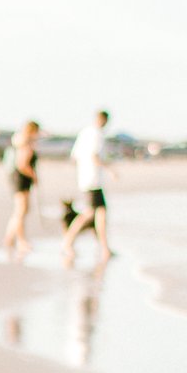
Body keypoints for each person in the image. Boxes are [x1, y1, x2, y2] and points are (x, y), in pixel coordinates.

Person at [61, 109, 113, 261]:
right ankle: (67, 242)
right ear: (104, 120)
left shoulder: (84, 132)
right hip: (93, 180)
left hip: (86, 178)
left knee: (100, 213)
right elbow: (94, 156)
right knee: (91, 213)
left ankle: (104, 248)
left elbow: (74, 157)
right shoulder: (97, 134)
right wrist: (110, 170)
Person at [2, 119, 42, 260]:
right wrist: (34, 176)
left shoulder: (19, 140)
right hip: (20, 178)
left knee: (21, 210)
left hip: (17, 177)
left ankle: (10, 238)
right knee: (21, 210)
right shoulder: (26, 142)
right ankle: (21, 241)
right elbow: (22, 164)